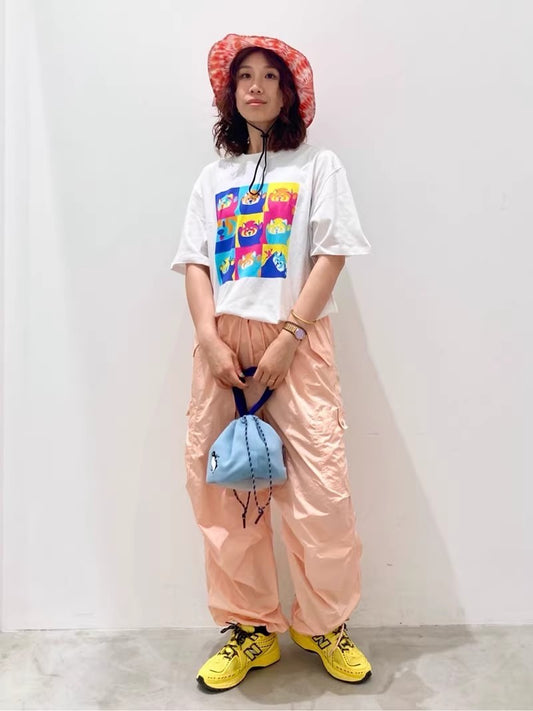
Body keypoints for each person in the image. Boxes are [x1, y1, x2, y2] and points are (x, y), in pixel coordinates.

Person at [171, 33, 372, 692]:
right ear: (229, 94)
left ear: (289, 93)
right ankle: (251, 629)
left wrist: (290, 335)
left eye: (269, 77)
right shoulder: (213, 178)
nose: (255, 86)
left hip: (297, 339)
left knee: (320, 495)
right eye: (243, 77)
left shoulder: (316, 166)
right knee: (225, 494)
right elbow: (195, 261)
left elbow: (332, 252)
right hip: (224, 345)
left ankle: (322, 624)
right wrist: (208, 337)